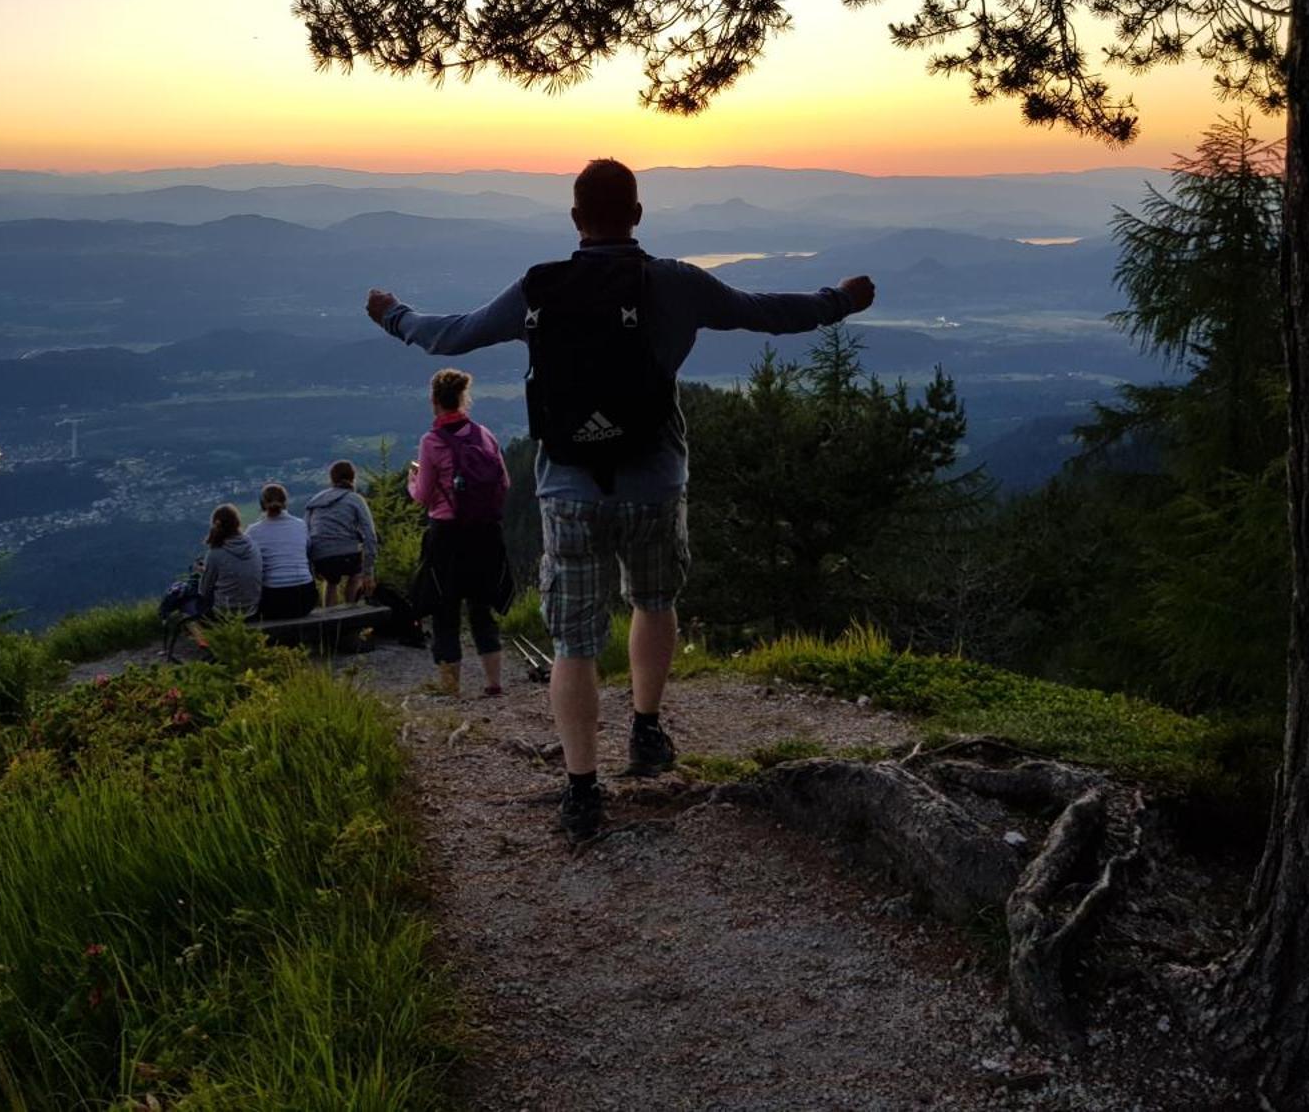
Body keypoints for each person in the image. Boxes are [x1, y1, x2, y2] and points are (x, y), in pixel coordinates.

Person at [365, 158, 876, 839]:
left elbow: (448, 334)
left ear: (576, 220)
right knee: (653, 601)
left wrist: (391, 314)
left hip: (568, 488)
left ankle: (582, 790)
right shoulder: (674, 283)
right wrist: (841, 300)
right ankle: (645, 727)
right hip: (655, 481)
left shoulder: (539, 287)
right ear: (637, 214)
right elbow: (768, 314)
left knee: (574, 641)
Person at [409, 368, 514, 698]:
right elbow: (505, 483)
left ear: (434, 401)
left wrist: (412, 482)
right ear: (463, 398)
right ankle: (494, 684)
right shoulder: (484, 435)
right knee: (481, 607)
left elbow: (424, 495)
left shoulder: (431, 441)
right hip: (484, 533)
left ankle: (451, 689)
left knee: (445, 608)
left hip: (447, 535)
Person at [305, 460, 379, 606]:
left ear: (331, 479)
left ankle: (330, 621)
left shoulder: (314, 501)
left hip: (320, 556)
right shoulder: (355, 499)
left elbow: (305, 534)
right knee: (355, 575)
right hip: (348, 555)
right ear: (353, 478)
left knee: (331, 581)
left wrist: (311, 565)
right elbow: (370, 534)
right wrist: (368, 571)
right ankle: (351, 612)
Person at [247, 482, 318, 621]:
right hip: (305, 598)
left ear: (262, 504)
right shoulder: (300, 525)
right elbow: (308, 550)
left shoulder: (253, 531)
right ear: (285, 502)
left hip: (273, 601)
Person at [196, 503, 262, 616]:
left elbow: (204, 591)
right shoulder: (253, 546)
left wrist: (205, 573)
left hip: (225, 611)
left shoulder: (215, 553)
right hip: (252, 608)